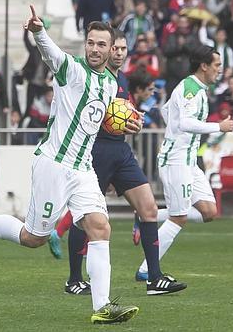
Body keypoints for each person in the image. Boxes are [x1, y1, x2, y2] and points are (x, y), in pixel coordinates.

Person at [0, 6, 138, 324]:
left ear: (111, 49)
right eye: (91, 42)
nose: (95, 48)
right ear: (85, 44)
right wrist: (38, 31)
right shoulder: (72, 70)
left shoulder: (109, 86)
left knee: (101, 227)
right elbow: (52, 54)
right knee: (33, 238)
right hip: (54, 165)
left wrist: (122, 123)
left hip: (83, 169)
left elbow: (93, 120)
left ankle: (102, 307)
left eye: (102, 44)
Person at [49, 32, 183, 296]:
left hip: (120, 150)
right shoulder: (94, 77)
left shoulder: (121, 79)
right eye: (116, 48)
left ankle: (154, 278)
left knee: (149, 209)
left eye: (123, 48)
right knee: (84, 217)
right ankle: (74, 279)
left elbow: (118, 115)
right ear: (108, 50)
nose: (120, 53)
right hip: (96, 149)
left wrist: (133, 121)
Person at [134, 45, 233, 281]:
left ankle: (146, 216)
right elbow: (186, 123)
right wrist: (217, 126)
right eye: (217, 65)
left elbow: (168, 111)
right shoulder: (190, 88)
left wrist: (174, 127)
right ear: (204, 66)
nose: (219, 70)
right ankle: (146, 270)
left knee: (209, 211)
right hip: (175, 161)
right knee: (179, 217)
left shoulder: (194, 88)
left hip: (188, 162)